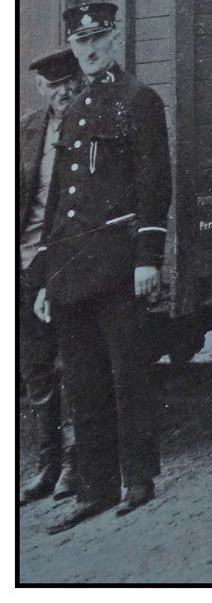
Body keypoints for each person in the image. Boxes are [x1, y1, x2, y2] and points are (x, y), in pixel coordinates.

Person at [37, 3, 170, 532]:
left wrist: (148, 258)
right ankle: (93, 487)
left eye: (97, 38)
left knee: (128, 374)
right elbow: (58, 205)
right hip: (71, 272)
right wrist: (47, 276)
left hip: (118, 266)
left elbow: (153, 185)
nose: (89, 49)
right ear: (73, 47)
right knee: (83, 382)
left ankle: (137, 478)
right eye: (80, 41)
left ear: (114, 39)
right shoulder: (70, 112)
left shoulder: (138, 101)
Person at [18, 47, 82, 506]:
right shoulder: (26, 130)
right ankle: (47, 465)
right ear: (41, 89)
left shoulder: (88, 125)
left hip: (65, 260)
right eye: (53, 87)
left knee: (73, 364)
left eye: (67, 84)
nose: (62, 94)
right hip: (23, 262)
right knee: (36, 369)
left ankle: (76, 467)